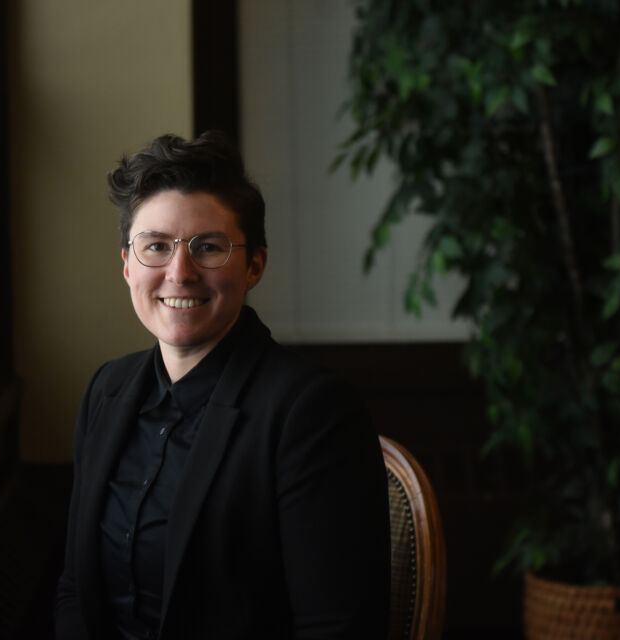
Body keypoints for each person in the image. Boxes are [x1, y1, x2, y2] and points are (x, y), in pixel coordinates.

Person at [55, 131, 390, 639]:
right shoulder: (107, 390)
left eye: (208, 247)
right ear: (127, 265)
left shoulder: (312, 411)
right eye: (156, 247)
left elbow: (336, 630)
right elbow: (76, 589)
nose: (180, 272)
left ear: (254, 265)